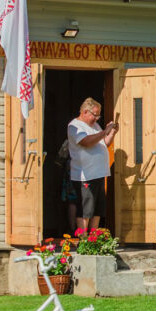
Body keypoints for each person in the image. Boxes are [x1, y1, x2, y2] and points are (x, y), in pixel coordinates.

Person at [67, 97, 118, 233]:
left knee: (97, 209)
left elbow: (103, 143)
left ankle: (93, 239)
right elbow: (86, 142)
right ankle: (83, 241)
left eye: (98, 115)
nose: (96, 119)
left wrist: (111, 132)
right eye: (94, 115)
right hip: (85, 175)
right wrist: (104, 132)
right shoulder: (75, 126)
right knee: (85, 209)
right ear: (85, 112)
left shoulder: (94, 126)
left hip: (99, 173)